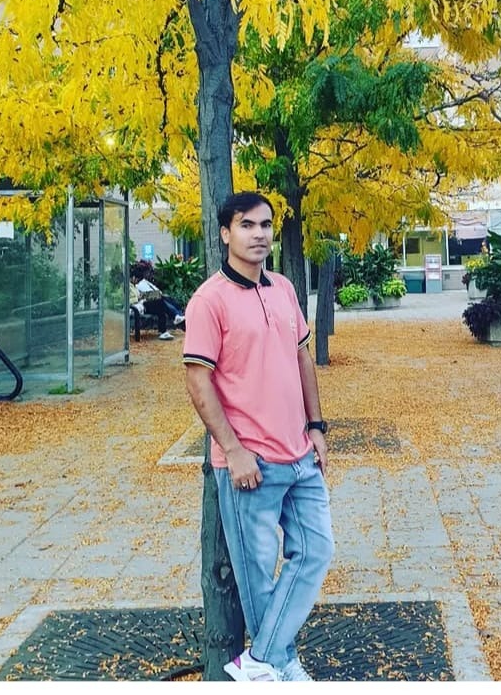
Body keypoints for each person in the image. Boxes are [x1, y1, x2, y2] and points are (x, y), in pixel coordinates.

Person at [183, 191, 334, 683]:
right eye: (247, 225)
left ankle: (262, 661)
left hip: (300, 455)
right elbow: (198, 381)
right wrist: (233, 450)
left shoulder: (285, 289)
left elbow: (301, 357)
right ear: (225, 233)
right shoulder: (209, 301)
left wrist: (316, 427)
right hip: (250, 466)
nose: (260, 234)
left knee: (317, 551)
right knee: (257, 579)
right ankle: (280, 667)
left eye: (266, 225)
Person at [129, 265, 185, 340]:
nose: (138, 282)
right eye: (138, 280)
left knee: (160, 300)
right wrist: (139, 298)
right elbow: (128, 300)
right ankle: (174, 317)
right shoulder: (127, 287)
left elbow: (139, 295)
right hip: (138, 307)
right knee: (160, 300)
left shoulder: (134, 286)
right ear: (133, 277)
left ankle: (165, 329)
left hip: (142, 303)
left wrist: (144, 297)